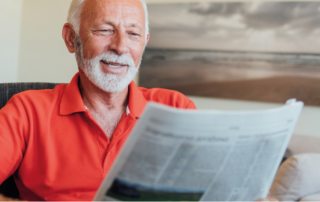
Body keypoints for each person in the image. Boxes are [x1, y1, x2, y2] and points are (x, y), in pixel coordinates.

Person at [0, 0, 278, 201]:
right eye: (105, 30)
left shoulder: (176, 106)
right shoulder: (27, 110)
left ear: (144, 42)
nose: (121, 46)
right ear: (72, 38)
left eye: (133, 34)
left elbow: (214, 188)